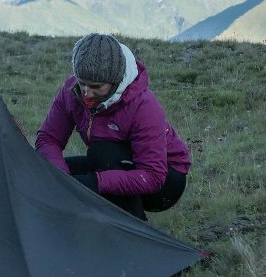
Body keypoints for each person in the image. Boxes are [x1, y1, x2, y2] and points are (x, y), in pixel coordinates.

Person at [35, 33, 191, 220]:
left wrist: (96, 182)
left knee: (102, 152)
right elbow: (48, 139)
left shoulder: (144, 106)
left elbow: (153, 176)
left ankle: (132, 232)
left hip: (165, 180)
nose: (86, 92)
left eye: (96, 86)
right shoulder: (71, 90)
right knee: (47, 171)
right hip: (117, 163)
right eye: (82, 83)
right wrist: (62, 178)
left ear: (115, 81)